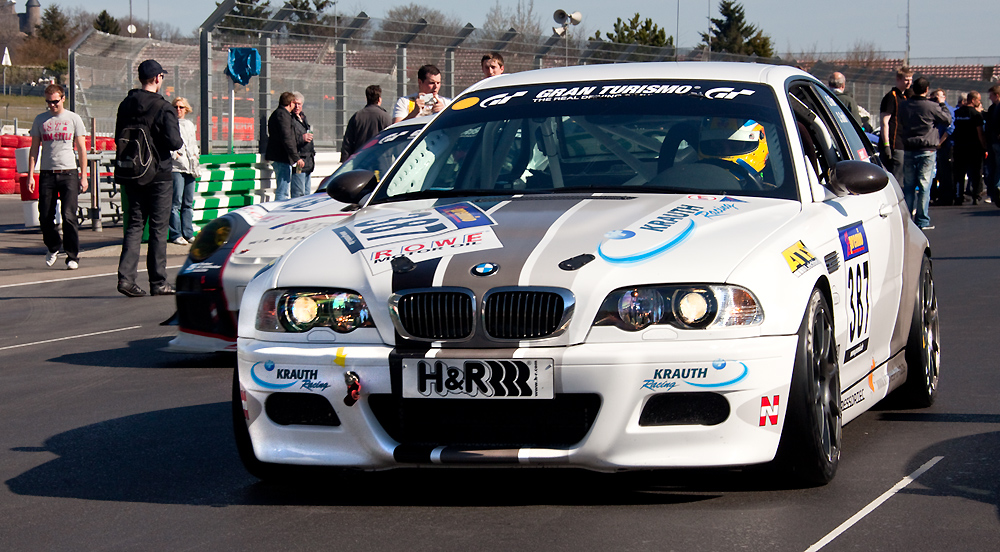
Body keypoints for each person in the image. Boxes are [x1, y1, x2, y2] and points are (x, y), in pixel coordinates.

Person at [115, 59, 183, 297]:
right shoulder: (163, 107)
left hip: (132, 171)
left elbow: (117, 137)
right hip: (159, 173)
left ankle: (126, 278)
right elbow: (175, 141)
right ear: (157, 78)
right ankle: (158, 280)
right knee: (158, 227)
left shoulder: (126, 104)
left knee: (134, 225)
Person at [27, 84, 88, 270]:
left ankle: (72, 256)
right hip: (47, 173)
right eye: (48, 102)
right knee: (45, 216)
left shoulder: (73, 119)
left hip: (68, 171)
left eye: (55, 102)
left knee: (69, 216)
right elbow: (34, 148)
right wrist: (30, 175)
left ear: (62, 99)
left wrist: (83, 176)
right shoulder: (41, 120)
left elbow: (82, 148)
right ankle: (53, 245)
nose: (52, 106)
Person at [899, 77, 951, 230]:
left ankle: (907, 218)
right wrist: (941, 103)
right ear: (927, 89)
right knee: (924, 185)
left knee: (908, 185)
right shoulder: (931, 106)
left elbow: (901, 121)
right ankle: (922, 220)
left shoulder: (904, 105)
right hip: (927, 149)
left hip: (909, 148)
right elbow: (947, 120)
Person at [169, 97, 200, 245]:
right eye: (175, 107)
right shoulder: (169, 123)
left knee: (188, 203)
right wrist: (174, 155)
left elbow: (193, 143)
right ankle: (175, 234)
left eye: (181, 107)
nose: (178, 110)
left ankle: (188, 232)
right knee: (176, 202)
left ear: (186, 109)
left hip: (190, 166)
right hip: (176, 167)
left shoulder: (189, 124)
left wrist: (195, 155)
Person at [265, 91, 302, 201]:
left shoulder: (279, 114)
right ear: (291, 103)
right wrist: (296, 157)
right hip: (281, 157)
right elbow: (287, 138)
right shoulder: (282, 115)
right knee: (283, 191)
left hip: (280, 156)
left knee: (284, 189)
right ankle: (280, 214)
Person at [952, 91, 988, 205]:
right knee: (976, 173)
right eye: (978, 100)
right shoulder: (976, 114)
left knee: (959, 174)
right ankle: (976, 196)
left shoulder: (957, 113)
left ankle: (958, 196)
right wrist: (984, 146)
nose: (979, 102)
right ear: (973, 100)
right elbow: (979, 132)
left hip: (959, 147)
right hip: (974, 148)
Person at [879, 66, 914, 185]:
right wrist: (886, 145)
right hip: (895, 143)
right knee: (895, 176)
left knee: (903, 177)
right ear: (898, 79)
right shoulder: (891, 97)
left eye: (910, 79)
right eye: (906, 79)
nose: (909, 83)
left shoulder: (906, 96)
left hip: (904, 142)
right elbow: (884, 122)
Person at [341, 84, 391, 162]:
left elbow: (348, 142)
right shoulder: (385, 117)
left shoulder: (357, 116)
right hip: (380, 161)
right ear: (379, 99)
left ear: (366, 98)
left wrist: (345, 161)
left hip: (360, 161)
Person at [929, 89, 956, 206]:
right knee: (939, 172)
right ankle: (939, 194)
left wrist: (940, 142)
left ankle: (947, 197)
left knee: (946, 172)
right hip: (938, 145)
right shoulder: (934, 109)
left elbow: (950, 128)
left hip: (946, 145)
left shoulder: (947, 110)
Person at [290, 91, 314, 198]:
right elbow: (288, 139)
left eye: (299, 104)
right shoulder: (290, 119)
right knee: (299, 195)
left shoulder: (303, 118)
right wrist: (302, 138)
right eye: (294, 103)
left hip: (308, 160)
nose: (297, 106)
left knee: (307, 195)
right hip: (299, 160)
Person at [985, 85, 1000, 205]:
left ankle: (995, 190)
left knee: (995, 168)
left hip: (994, 141)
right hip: (994, 142)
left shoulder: (993, 109)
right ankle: (996, 189)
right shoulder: (992, 109)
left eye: (991, 95)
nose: (989, 98)